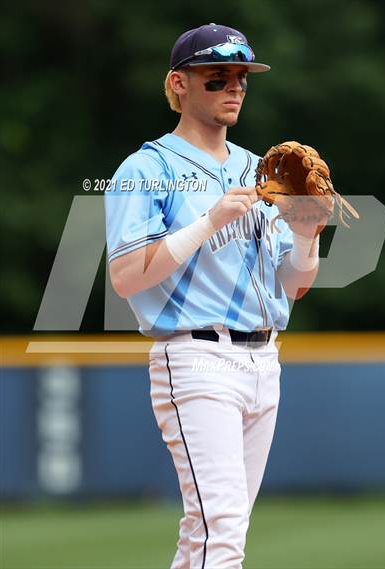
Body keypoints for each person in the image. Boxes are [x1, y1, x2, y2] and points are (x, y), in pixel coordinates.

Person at [105, 22, 330, 569]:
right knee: (220, 527)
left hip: (263, 359)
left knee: (211, 530)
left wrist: (307, 235)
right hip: (196, 358)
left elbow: (295, 286)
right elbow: (126, 277)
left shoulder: (261, 169)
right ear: (178, 84)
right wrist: (208, 221)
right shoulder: (146, 169)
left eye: (241, 78)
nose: (233, 87)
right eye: (216, 77)